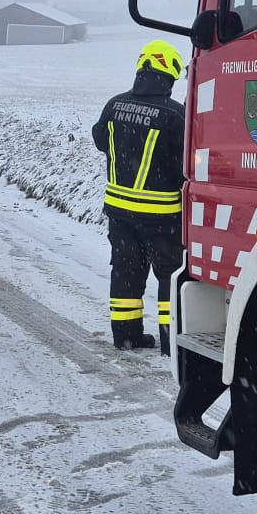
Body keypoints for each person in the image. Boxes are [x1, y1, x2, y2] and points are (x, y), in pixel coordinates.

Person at [91, 39, 186, 350]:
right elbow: (183, 166)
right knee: (169, 276)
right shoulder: (175, 114)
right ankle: (170, 342)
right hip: (162, 215)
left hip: (119, 211)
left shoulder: (114, 105)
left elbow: (100, 140)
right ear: (168, 75)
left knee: (126, 271)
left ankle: (126, 335)